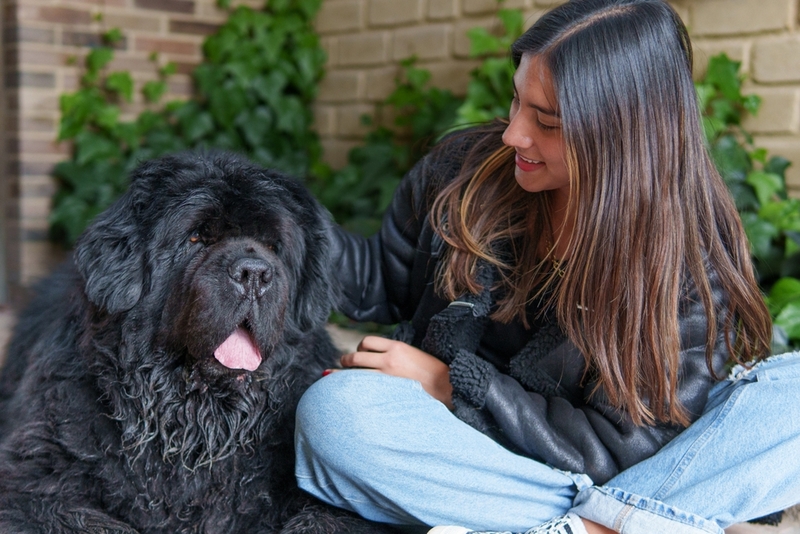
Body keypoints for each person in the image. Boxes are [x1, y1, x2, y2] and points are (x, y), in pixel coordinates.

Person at [293, 0, 800, 533]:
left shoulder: (688, 264)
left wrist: (450, 383)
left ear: (623, 138)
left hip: (596, 466)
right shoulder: (466, 169)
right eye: (517, 100)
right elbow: (380, 278)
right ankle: (614, 525)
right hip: (469, 456)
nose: (514, 133)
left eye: (548, 121)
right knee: (338, 415)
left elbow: (623, 451)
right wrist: (272, 216)